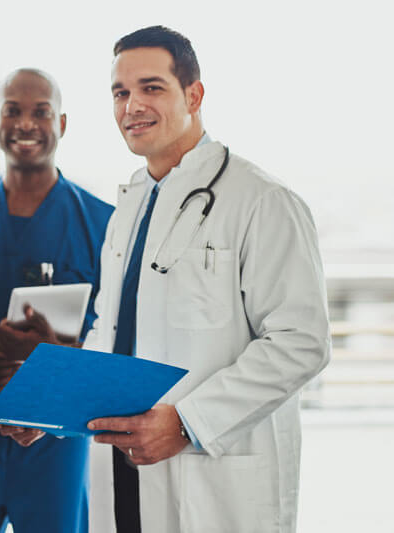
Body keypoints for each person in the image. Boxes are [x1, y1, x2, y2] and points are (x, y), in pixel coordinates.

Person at [83, 26, 331, 532]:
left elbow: (301, 341)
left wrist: (189, 422)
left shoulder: (261, 200)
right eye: (120, 92)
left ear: (193, 95)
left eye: (151, 88)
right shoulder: (127, 207)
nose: (132, 106)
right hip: (123, 469)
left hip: (210, 473)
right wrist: (51, 407)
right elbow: (110, 333)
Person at [0, 68, 113, 533]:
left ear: (62, 124)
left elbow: (115, 335)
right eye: (13, 110)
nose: (26, 123)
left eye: (41, 112)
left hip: (55, 436)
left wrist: (56, 363)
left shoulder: (104, 224)